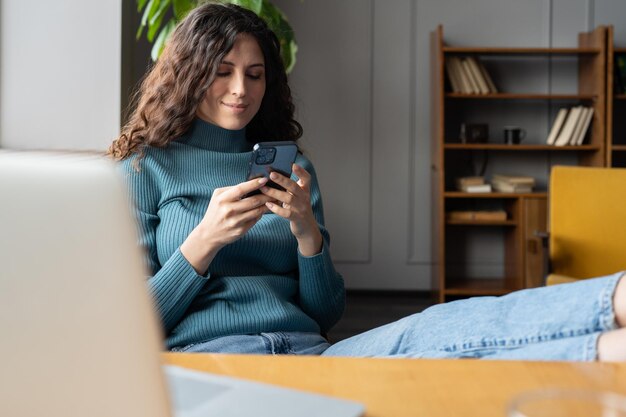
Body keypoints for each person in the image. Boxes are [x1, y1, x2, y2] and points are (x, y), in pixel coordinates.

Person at [109, 2, 626, 361]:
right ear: (188, 72)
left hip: (313, 351)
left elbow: (325, 312)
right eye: (222, 70)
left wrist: (308, 234)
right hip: (215, 360)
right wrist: (205, 240)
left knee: (438, 327)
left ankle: (614, 319)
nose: (241, 89)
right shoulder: (142, 168)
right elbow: (129, 325)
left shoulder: (291, 169)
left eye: (256, 73)